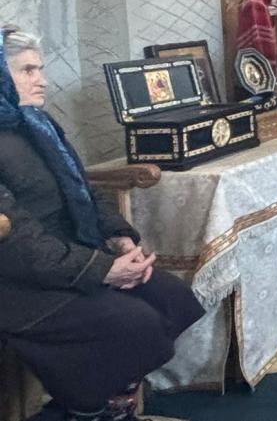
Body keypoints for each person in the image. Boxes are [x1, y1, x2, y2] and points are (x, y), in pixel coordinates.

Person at [0, 31, 204, 421]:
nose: (42, 80)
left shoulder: (38, 123)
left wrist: (120, 237)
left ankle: (102, 400)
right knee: (135, 324)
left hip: (69, 260)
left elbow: (84, 188)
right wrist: (102, 270)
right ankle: (90, 408)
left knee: (172, 297)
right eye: (27, 70)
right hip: (18, 283)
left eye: (40, 69)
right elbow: (19, 242)